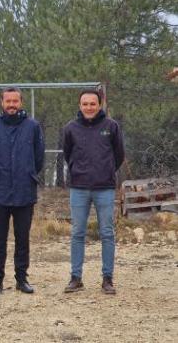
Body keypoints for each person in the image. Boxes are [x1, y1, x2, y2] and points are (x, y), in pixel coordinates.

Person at [0, 87, 45, 296]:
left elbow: (38, 158)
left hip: (24, 190)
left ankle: (21, 279)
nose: (11, 105)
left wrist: (26, 173)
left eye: (15, 101)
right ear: (2, 102)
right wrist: (0, 173)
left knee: (22, 237)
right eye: (8, 101)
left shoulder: (33, 127)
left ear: (21, 102)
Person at [62, 89, 125, 295]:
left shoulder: (111, 126)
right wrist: (78, 171)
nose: (89, 107)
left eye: (92, 104)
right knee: (77, 233)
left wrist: (105, 171)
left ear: (100, 104)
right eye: (85, 104)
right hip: (79, 188)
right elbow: (67, 153)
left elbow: (118, 155)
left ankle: (107, 279)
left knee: (107, 233)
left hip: (104, 188)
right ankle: (76, 278)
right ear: (79, 105)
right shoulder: (70, 128)